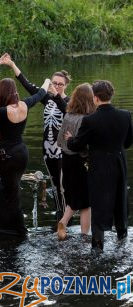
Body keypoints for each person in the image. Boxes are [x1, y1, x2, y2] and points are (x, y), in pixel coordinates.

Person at [0, 65, 50, 237]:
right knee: (11, 189)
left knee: (9, 191)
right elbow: (40, 94)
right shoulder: (24, 105)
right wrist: (46, 82)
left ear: (2, 92)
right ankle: (8, 227)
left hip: (6, 155)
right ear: (14, 91)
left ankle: (16, 229)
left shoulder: (2, 112)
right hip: (21, 153)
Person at [2, 54, 71, 223]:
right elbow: (27, 84)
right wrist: (12, 65)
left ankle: (65, 217)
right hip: (47, 148)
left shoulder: (69, 101)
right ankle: (59, 215)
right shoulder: (46, 99)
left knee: (63, 186)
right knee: (54, 186)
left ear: (66, 85)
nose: (56, 86)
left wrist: (57, 95)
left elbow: (67, 112)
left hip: (62, 149)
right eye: (54, 83)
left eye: (60, 84)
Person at [66, 80, 133, 250]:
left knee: (98, 203)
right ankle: (122, 237)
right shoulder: (126, 115)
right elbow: (128, 143)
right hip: (119, 163)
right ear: (111, 95)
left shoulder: (90, 120)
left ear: (95, 98)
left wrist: (69, 139)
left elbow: (77, 145)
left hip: (99, 167)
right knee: (120, 200)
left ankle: (97, 245)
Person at [56, 84, 95, 240]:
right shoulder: (87, 119)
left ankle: (63, 222)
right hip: (80, 162)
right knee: (86, 203)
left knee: (72, 196)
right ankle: (84, 237)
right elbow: (84, 147)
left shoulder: (68, 116)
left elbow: (59, 142)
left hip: (66, 160)